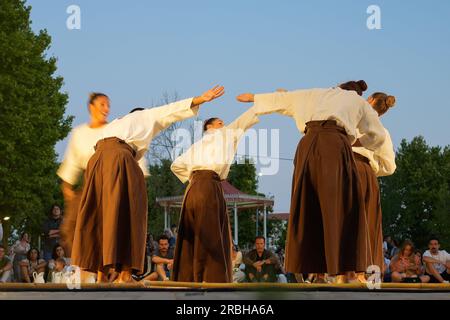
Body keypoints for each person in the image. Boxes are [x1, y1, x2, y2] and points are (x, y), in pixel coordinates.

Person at [71, 85, 224, 283]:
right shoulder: (145, 117)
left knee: (101, 215)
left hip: (97, 161)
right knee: (132, 213)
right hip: (119, 159)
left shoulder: (117, 124)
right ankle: (125, 275)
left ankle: (101, 274)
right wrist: (201, 99)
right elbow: (171, 111)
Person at [236, 80, 386, 278]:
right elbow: (379, 135)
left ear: (339, 87)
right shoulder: (358, 102)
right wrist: (359, 141)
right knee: (340, 206)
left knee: (309, 204)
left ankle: (315, 270)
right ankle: (343, 269)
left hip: (308, 145)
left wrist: (254, 97)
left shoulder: (319, 93)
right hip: (335, 145)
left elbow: (287, 99)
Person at [170, 107, 260, 283]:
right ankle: (211, 277)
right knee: (212, 233)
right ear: (209, 127)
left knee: (194, 233)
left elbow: (175, 166)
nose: (224, 125)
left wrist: (191, 179)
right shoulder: (223, 136)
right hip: (210, 185)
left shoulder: (195, 148)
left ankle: (190, 277)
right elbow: (243, 121)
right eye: (220, 123)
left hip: (194, 188)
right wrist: (263, 103)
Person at [58, 92, 150, 258]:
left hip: (113, 184)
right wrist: (68, 190)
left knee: (111, 230)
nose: (106, 108)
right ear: (91, 107)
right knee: (73, 229)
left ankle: (111, 269)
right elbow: (70, 166)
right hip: (89, 185)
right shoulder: (79, 133)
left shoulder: (115, 129)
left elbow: (134, 159)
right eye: (102, 104)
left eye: (108, 105)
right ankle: (83, 270)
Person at [347, 92, 397, 282]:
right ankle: (366, 275)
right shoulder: (382, 131)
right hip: (364, 171)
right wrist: (371, 168)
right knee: (368, 223)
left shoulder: (349, 121)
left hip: (343, 169)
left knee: (339, 221)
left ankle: (340, 273)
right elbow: (390, 166)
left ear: (369, 102)